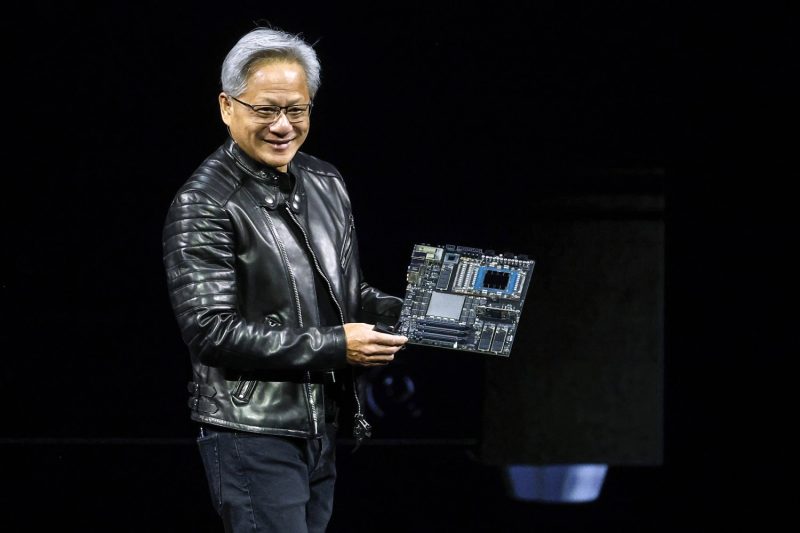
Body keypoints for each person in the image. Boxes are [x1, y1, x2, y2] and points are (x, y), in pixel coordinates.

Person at [161, 25, 408, 533]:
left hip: (320, 427)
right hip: (250, 432)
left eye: (296, 110)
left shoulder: (325, 182)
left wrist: (415, 315)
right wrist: (337, 346)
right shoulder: (204, 203)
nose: (282, 126)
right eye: (265, 110)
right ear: (227, 107)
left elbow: (347, 293)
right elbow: (210, 331)